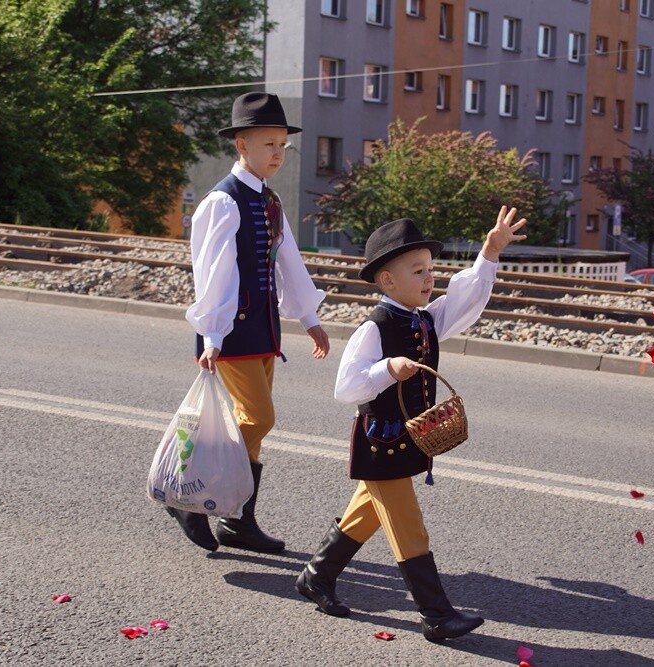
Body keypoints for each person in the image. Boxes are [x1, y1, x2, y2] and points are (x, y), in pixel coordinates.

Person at [295, 208, 527, 641]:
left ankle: (316, 575)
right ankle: (436, 615)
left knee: (365, 512)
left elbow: (465, 300)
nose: (429, 278)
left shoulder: (425, 318)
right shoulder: (375, 327)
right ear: (388, 281)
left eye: (430, 270)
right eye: (418, 271)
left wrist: (490, 253)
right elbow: (347, 388)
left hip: (408, 439)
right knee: (407, 524)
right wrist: (387, 368)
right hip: (380, 442)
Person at [166, 92, 331, 555]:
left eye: (282, 145)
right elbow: (214, 271)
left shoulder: (270, 199)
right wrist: (213, 334)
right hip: (231, 330)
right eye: (268, 144)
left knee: (249, 424)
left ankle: (239, 521)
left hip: (264, 329)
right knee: (259, 418)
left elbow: (288, 262)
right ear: (241, 144)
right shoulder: (223, 201)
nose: (278, 153)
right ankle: (190, 496)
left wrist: (310, 317)